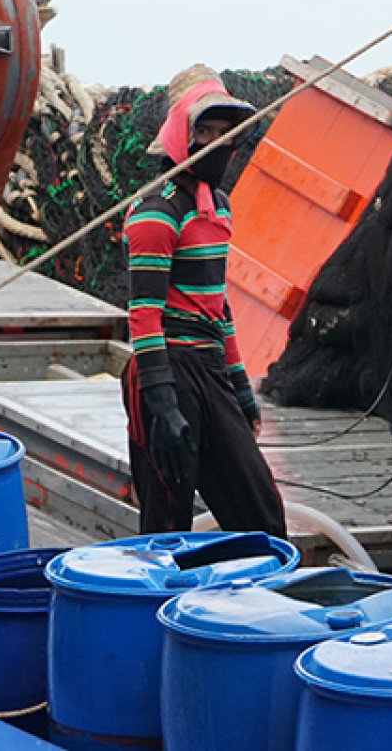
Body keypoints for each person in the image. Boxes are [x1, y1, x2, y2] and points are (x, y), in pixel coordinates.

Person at [120, 64, 287, 537]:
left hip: (209, 366)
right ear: (180, 135)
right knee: (167, 518)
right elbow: (144, 315)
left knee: (261, 515)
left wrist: (241, 392)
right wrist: (163, 403)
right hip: (167, 366)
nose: (215, 142)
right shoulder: (156, 211)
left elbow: (218, 306)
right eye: (203, 131)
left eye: (223, 132)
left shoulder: (219, 207)